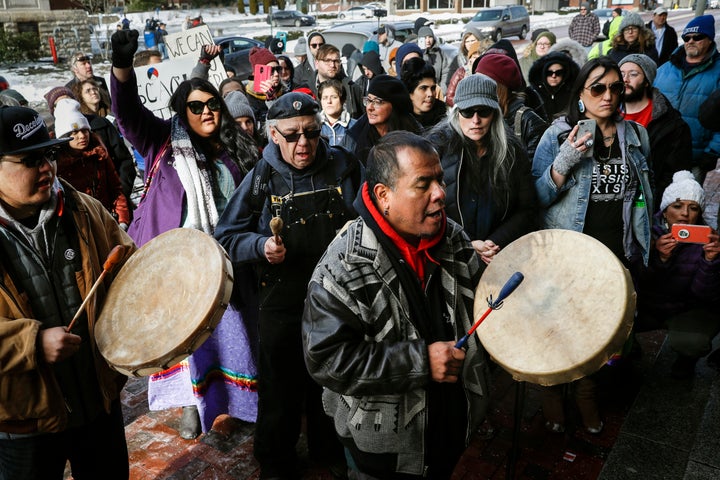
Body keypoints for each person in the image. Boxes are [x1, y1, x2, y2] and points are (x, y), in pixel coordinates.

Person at [302, 130, 491, 479]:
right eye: (423, 184)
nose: (440, 194)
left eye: (440, 180)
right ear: (384, 195)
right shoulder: (342, 264)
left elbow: (484, 307)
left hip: (451, 428)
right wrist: (420, 361)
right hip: (382, 452)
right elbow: (326, 360)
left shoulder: (454, 238)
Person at [109, 29, 260, 440]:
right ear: (183, 112)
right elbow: (126, 112)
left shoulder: (237, 149)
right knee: (185, 346)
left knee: (230, 339)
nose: (207, 111)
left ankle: (236, 405)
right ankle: (193, 404)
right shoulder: (162, 142)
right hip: (174, 267)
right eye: (196, 107)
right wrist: (122, 67)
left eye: (213, 104)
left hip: (223, 262)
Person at [214, 92, 362, 479]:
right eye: (292, 135)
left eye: (311, 134)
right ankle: (276, 460)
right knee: (280, 387)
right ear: (274, 136)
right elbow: (226, 236)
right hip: (280, 298)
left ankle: (328, 448)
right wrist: (260, 245)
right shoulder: (261, 178)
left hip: (336, 296)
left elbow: (370, 214)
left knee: (329, 377)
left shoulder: (344, 166)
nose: (303, 144)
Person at [0, 104, 136, 479]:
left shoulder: (84, 209)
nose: (47, 167)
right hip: (24, 424)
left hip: (97, 402)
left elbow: (131, 270)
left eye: (49, 154)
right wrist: (31, 344)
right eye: (29, 160)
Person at [532, 57, 653, 434]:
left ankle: (586, 393)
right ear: (581, 94)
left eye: (616, 87)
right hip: (567, 255)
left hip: (614, 255)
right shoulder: (556, 135)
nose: (609, 95)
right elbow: (535, 197)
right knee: (557, 328)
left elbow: (642, 197)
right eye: (598, 87)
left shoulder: (635, 135)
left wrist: (649, 236)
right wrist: (564, 163)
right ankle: (552, 396)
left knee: (600, 333)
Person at [428, 73, 537, 265]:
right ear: (456, 112)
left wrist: (495, 242)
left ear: (494, 113)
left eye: (483, 111)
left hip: (496, 257)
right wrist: (466, 243)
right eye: (468, 112)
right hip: (449, 257)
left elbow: (527, 209)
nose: (475, 120)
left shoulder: (512, 151)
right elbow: (424, 210)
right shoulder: (437, 148)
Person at [636, 170, 720, 378]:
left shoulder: (707, 240)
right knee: (616, 325)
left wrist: (710, 262)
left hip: (684, 310)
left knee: (693, 341)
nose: (684, 214)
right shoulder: (646, 234)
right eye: (677, 206)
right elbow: (635, 282)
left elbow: (704, 296)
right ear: (664, 211)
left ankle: (686, 360)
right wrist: (659, 259)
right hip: (647, 307)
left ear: (698, 214)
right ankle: (628, 353)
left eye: (693, 208)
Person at [619, 54, 692, 209]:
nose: (625, 79)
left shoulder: (671, 123)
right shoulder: (605, 112)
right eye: (621, 74)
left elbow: (674, 174)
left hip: (648, 203)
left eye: (633, 74)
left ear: (646, 81)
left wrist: (652, 203)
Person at [654, 15, 720, 183]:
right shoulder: (664, 69)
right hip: (660, 152)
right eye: (686, 37)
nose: (691, 41)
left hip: (695, 157)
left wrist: (713, 150)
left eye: (697, 37)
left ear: (710, 39)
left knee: (684, 206)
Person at [44, 86, 136, 205]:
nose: (81, 136)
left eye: (68, 100)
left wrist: (121, 194)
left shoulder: (100, 125)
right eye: (59, 103)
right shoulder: (52, 142)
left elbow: (123, 160)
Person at [53, 99, 131, 231]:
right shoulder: (56, 166)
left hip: (108, 221)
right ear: (64, 136)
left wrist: (122, 220)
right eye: (74, 132)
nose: (82, 136)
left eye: (85, 130)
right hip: (79, 230)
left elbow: (115, 188)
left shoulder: (99, 153)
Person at [475, 54, 547, 160]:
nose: (476, 85)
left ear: (499, 86)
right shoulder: (474, 116)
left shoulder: (529, 122)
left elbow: (533, 170)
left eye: (482, 81)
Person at [348, 74, 422, 165]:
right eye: (369, 100)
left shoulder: (415, 136)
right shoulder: (355, 136)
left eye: (377, 102)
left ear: (394, 106)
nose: (370, 108)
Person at [311, 44, 363, 119]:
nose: (332, 65)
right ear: (317, 63)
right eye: (327, 61)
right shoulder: (307, 89)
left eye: (336, 61)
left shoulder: (351, 87)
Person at [528, 51, 580, 120]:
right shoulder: (532, 93)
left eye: (558, 72)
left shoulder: (574, 93)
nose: (554, 76)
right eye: (549, 72)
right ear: (543, 73)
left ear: (565, 74)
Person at [401, 58, 447, 129]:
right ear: (409, 92)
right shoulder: (399, 119)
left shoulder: (444, 117)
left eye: (433, 88)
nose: (430, 94)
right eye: (423, 88)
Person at [245, 47, 284, 129]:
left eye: (278, 69)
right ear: (259, 73)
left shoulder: (285, 93)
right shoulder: (248, 98)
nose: (276, 74)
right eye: (271, 70)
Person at [318, 79, 356, 150]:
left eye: (334, 97)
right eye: (325, 98)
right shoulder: (315, 126)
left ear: (343, 100)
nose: (329, 101)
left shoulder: (355, 126)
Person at [445, 39, 484, 108]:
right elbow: (449, 97)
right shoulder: (461, 72)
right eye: (474, 57)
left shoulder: (487, 72)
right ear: (470, 58)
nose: (477, 60)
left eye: (479, 57)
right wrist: (463, 105)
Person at [417, 25, 455, 96]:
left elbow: (445, 72)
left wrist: (442, 90)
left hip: (437, 92)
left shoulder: (439, 52)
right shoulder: (417, 53)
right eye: (425, 38)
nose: (428, 40)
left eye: (430, 37)